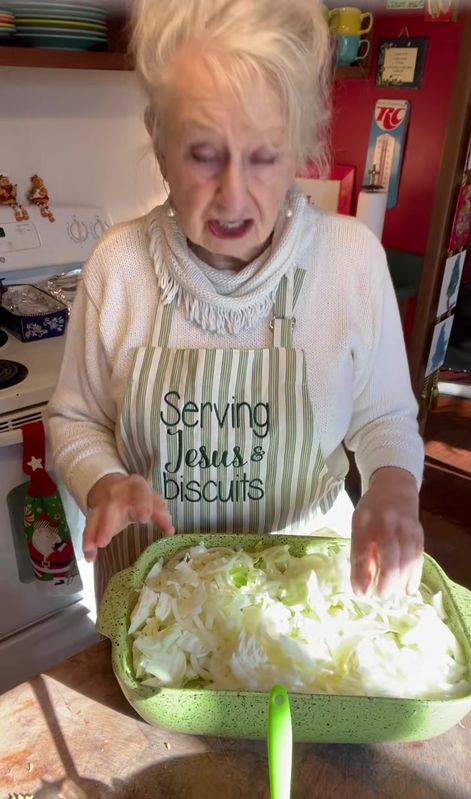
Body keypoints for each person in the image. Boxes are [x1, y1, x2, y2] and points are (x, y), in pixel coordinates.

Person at [47, 0, 425, 604]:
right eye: (203, 154)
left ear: (299, 146)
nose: (233, 194)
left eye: (265, 157)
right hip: (155, 604)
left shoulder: (350, 262)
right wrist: (106, 482)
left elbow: (383, 418)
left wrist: (392, 490)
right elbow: (75, 422)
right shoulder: (120, 269)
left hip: (303, 602)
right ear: (159, 137)